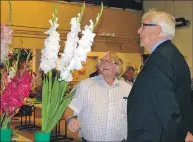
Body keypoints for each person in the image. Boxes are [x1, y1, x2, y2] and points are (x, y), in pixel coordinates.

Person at [127, 9, 193, 142]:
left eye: (143, 26)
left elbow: (167, 105)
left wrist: (180, 135)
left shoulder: (159, 58)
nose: (139, 31)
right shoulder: (172, 55)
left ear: (157, 30)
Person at [65, 51, 132, 141]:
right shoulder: (85, 85)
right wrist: (70, 120)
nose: (104, 63)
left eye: (109, 61)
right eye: (102, 61)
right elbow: (68, 108)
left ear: (118, 67)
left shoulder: (128, 89)